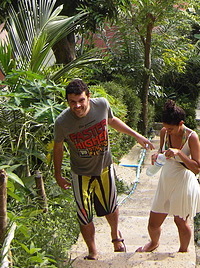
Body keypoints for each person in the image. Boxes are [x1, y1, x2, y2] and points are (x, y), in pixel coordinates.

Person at [53, 78, 154, 261]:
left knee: (110, 207)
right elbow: (58, 147)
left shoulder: (101, 105)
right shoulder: (62, 122)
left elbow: (112, 121)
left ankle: (116, 236)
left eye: (81, 100)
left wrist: (137, 136)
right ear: (67, 102)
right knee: (84, 214)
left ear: (88, 97)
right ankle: (93, 251)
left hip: (104, 168)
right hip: (80, 173)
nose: (77, 106)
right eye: (72, 102)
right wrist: (57, 174)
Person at [136, 100, 200, 253]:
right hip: (166, 178)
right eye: (165, 128)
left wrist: (179, 153)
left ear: (181, 123)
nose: (168, 131)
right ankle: (154, 242)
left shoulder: (191, 137)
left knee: (180, 221)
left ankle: (183, 252)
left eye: (171, 128)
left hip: (183, 180)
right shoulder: (164, 132)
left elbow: (197, 168)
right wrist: (157, 155)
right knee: (153, 223)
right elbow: (161, 151)